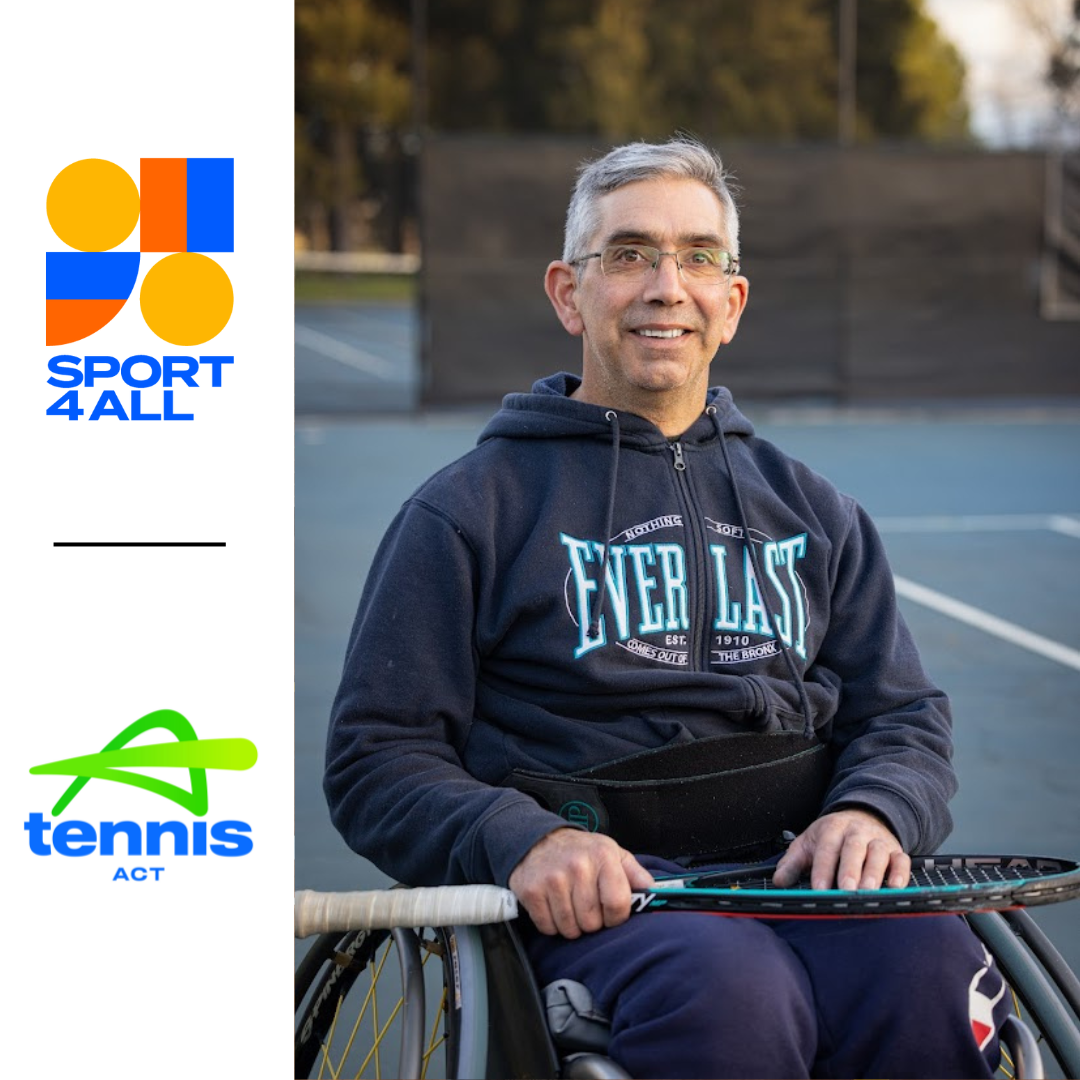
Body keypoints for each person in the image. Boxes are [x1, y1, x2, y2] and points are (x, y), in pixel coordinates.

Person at [324, 136, 1010, 1079]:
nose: (665, 285)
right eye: (630, 253)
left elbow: (901, 716)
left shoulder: (813, 509)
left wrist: (877, 813)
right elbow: (376, 759)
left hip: (793, 878)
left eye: (698, 257)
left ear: (732, 303)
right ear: (570, 292)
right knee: (730, 994)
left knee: (933, 969)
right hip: (611, 904)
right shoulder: (468, 512)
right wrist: (528, 840)